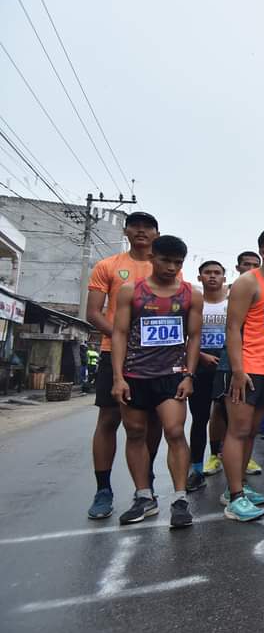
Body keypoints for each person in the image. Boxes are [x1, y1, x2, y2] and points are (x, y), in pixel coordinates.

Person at [109, 235, 202, 528]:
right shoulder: (130, 291)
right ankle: (144, 496)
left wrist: (188, 375)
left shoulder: (191, 294)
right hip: (135, 375)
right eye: (166, 261)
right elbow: (119, 333)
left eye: (178, 262)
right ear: (152, 258)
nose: (171, 267)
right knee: (136, 433)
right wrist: (118, 377)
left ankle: (180, 499)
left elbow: (194, 337)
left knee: (174, 431)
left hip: (171, 375)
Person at [85, 211, 165, 520]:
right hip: (114, 354)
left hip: (155, 359)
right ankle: (103, 490)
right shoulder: (108, 266)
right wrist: (124, 340)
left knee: (153, 422)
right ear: (126, 231)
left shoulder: (165, 267)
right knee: (108, 419)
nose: (141, 231)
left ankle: (145, 484)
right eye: (135, 226)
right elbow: (94, 313)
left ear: (157, 234)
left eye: (148, 227)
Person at [221, 229, 264, 522]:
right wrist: (238, 371)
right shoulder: (247, 282)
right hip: (246, 368)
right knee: (237, 431)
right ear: (263, 251)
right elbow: (232, 328)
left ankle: (239, 486)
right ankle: (234, 498)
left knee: (251, 431)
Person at [204, 250, 263, 477]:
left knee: (245, 416)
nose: (250, 269)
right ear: (237, 268)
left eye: (255, 265)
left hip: (254, 358)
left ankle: (244, 459)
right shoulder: (227, 294)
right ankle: (214, 455)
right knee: (219, 407)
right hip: (225, 358)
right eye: (246, 264)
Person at [186, 260, 227, 493]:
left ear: (224, 277)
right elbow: (184, 336)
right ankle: (197, 470)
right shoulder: (194, 302)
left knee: (232, 421)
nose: (212, 276)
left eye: (217, 273)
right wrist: (200, 355)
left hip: (227, 367)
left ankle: (235, 473)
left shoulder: (231, 303)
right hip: (200, 367)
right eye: (207, 273)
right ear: (199, 277)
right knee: (200, 420)